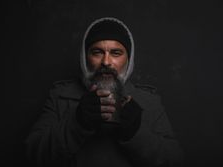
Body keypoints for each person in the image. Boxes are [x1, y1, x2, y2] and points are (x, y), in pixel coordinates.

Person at [26, 17, 183, 167]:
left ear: (128, 59)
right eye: (97, 52)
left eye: (116, 53)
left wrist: (136, 133)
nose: (106, 62)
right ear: (84, 57)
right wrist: (77, 122)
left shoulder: (149, 101)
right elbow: (32, 155)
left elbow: (174, 161)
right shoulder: (60, 96)